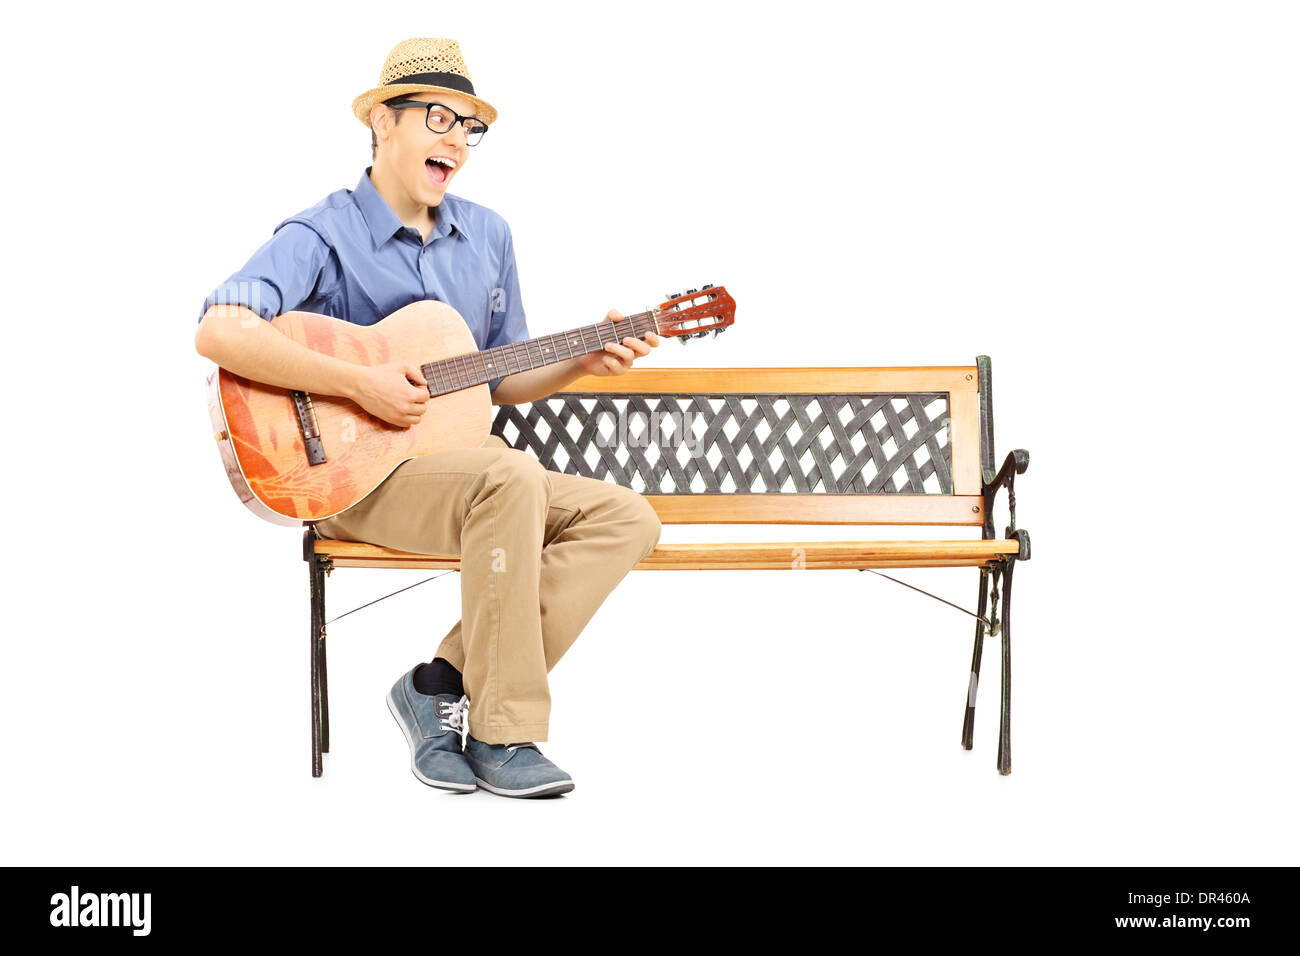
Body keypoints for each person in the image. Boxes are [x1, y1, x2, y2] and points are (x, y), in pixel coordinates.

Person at [194, 37, 662, 798]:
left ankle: (439, 680)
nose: (455, 139)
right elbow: (221, 328)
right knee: (509, 475)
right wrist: (360, 383)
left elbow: (500, 376)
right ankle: (506, 734)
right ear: (382, 120)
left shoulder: (488, 237)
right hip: (351, 484)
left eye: (468, 126)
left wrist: (585, 357)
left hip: (465, 478)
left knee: (626, 518)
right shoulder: (322, 233)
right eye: (437, 117)